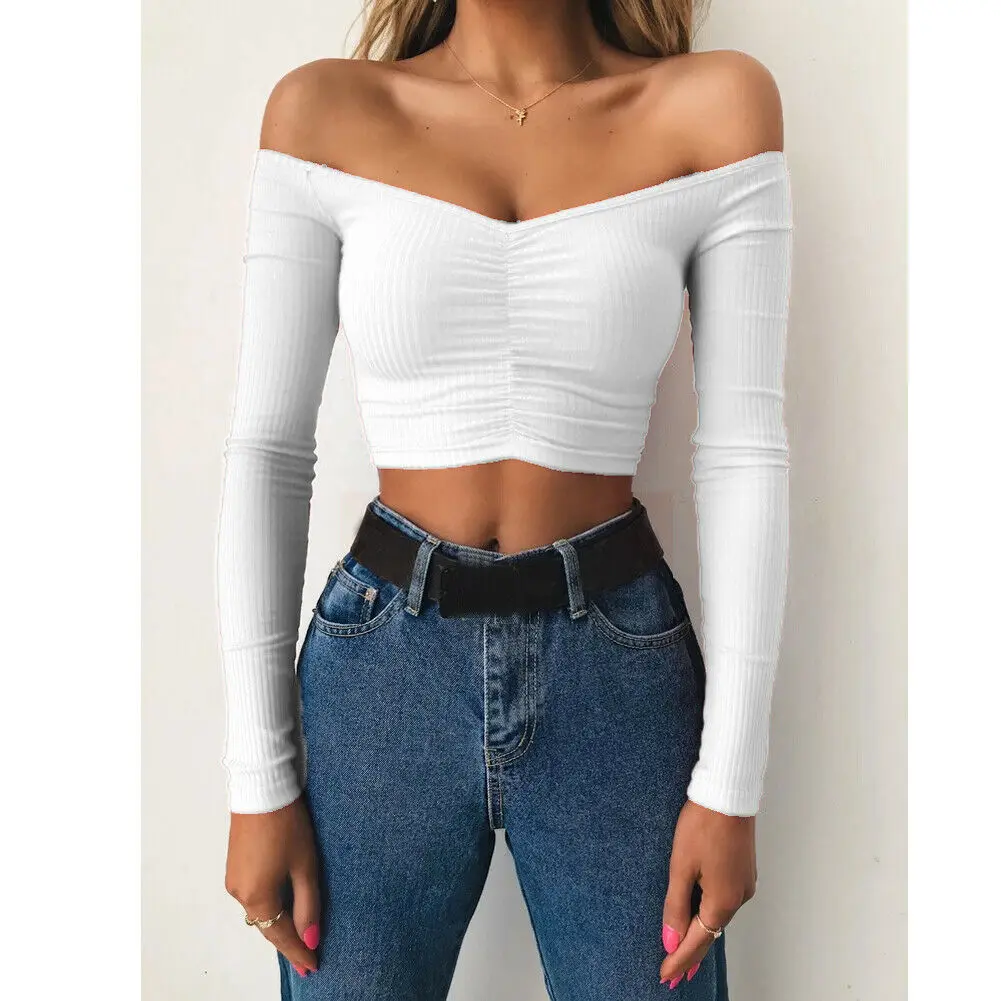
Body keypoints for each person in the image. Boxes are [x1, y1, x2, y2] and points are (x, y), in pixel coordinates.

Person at [215, 1, 793, 998]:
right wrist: (257, 779)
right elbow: (268, 448)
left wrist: (730, 783)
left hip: (616, 673)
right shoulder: (324, 110)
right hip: (380, 679)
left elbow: (743, 449)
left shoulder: (712, 105)